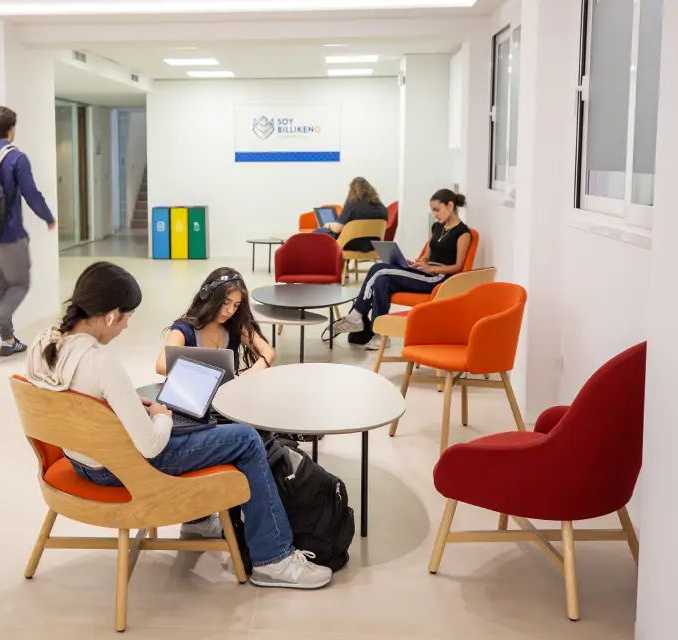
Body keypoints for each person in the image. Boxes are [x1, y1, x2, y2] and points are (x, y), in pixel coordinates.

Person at [27, 262, 331, 590]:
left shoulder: (45, 343)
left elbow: (81, 404)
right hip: (120, 468)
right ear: (112, 315)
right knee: (243, 438)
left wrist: (127, 405)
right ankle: (273, 558)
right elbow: (151, 446)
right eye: (128, 318)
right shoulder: (100, 362)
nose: (126, 327)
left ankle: (199, 520)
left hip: (78, 460)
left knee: (201, 419)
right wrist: (160, 414)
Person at [332, 189, 472, 348]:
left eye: (437, 210)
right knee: (382, 281)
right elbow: (427, 256)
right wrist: (416, 263)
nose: (435, 214)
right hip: (424, 272)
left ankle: (356, 316)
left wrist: (431, 269)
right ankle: (380, 336)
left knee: (379, 268)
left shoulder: (463, 233)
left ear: (450, 205)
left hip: (437, 278)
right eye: (433, 211)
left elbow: (458, 267)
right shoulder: (437, 228)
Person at [0, 106, 56, 358]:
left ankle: (8, 340)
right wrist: (48, 217)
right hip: (8, 236)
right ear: (11, 129)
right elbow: (31, 193)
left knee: (0, 284)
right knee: (20, 283)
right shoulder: (15, 157)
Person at [155, 267, 275, 376]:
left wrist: (252, 371)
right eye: (226, 303)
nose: (230, 311)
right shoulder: (184, 330)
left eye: (236, 305)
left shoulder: (235, 326)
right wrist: (207, 376)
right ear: (209, 298)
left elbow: (268, 351)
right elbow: (161, 366)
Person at [313, 177, 389, 251]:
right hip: (374, 246)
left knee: (317, 232)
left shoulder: (352, 205)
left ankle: (322, 261)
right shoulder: (381, 207)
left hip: (351, 243)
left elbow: (337, 229)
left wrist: (329, 224)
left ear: (352, 191)